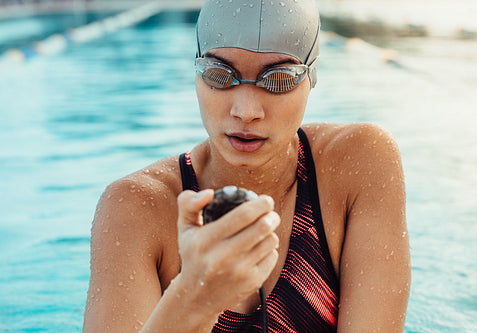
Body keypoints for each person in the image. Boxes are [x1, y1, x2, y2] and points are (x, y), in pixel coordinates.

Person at [83, 0, 411, 332]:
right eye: (219, 75)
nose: (246, 110)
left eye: (279, 79)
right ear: (196, 73)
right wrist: (194, 298)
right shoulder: (135, 207)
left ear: (311, 77)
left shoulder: (359, 163)